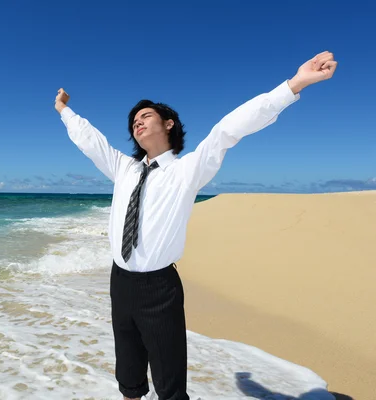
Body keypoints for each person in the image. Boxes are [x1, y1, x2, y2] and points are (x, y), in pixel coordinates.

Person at [54, 51, 337, 400]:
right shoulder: (123, 168)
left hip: (159, 288)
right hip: (119, 281)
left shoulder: (187, 170)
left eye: (145, 116)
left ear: (168, 123)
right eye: (133, 121)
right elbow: (89, 140)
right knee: (128, 375)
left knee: (169, 380)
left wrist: (294, 85)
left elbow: (228, 130)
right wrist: (64, 110)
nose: (136, 123)